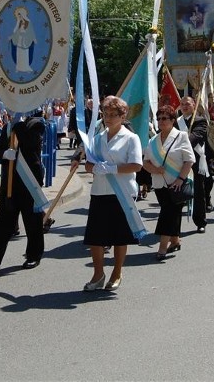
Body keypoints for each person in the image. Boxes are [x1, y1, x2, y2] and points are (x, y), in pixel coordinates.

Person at [81, 96, 143, 291]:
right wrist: (93, 168)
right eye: (105, 114)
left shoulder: (131, 138)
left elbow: (136, 165)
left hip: (122, 192)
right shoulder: (97, 138)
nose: (108, 118)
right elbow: (88, 164)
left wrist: (112, 169)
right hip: (100, 191)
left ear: (123, 116)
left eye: (113, 115)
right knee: (95, 236)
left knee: (119, 236)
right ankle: (98, 274)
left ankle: (117, 272)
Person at [0, 112, 47, 272]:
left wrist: (17, 124)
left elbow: (30, 143)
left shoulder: (36, 124)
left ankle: (34, 256)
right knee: (2, 221)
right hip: (10, 182)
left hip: (29, 181)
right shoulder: (8, 127)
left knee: (32, 222)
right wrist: (3, 154)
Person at [143, 104, 194, 260]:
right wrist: (155, 170)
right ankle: (175, 240)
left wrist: (180, 179)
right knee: (172, 213)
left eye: (164, 118)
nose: (161, 121)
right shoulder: (153, 140)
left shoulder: (181, 136)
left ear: (172, 120)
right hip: (160, 184)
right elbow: (145, 162)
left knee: (167, 213)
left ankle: (162, 247)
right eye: (159, 118)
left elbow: (189, 160)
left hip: (177, 183)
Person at [176, 97, 210, 233]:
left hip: (195, 161)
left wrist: (179, 145)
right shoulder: (176, 121)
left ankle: (200, 222)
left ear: (193, 105)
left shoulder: (200, 121)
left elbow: (195, 137)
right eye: (182, 104)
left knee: (198, 192)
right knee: (176, 192)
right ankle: (174, 227)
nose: (184, 106)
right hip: (177, 161)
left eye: (187, 104)